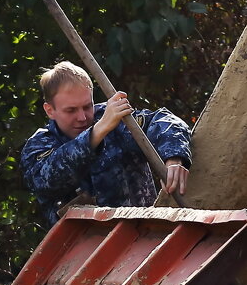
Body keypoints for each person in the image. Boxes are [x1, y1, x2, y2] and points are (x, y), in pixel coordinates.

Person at [21, 61, 193, 226]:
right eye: (71, 110)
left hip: (143, 238)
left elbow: (164, 121)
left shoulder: (116, 120)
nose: (82, 117)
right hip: (84, 251)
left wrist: (174, 158)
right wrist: (97, 133)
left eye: (87, 106)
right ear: (49, 110)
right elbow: (47, 181)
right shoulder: (38, 146)